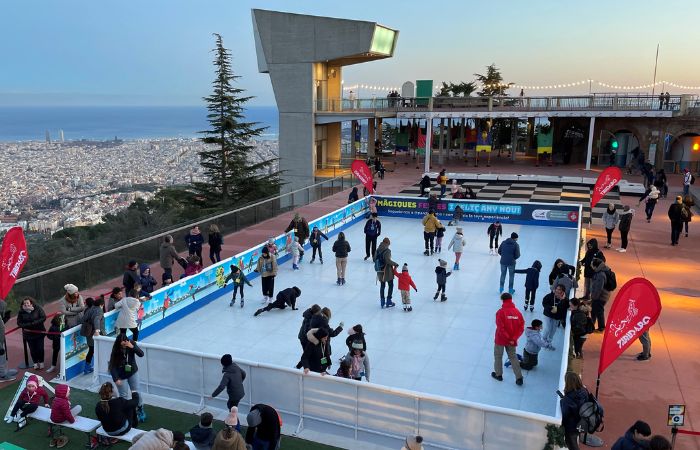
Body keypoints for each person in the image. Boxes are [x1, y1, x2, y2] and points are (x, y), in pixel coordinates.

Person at [108, 333, 146, 422]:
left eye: (125, 344)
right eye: (122, 345)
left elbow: (141, 354)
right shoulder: (116, 350)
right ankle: (124, 412)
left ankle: (140, 409)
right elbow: (112, 365)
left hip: (132, 372)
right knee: (123, 395)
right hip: (121, 375)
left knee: (137, 392)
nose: (124, 346)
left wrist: (132, 347)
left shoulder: (131, 344)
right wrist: (116, 378)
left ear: (127, 341)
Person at [491, 293, 525, 386]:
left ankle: (498, 375)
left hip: (500, 339)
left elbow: (500, 328)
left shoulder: (500, 312)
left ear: (502, 300)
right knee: (513, 357)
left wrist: (507, 338)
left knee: (498, 356)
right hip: (512, 341)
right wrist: (513, 338)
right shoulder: (518, 312)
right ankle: (519, 378)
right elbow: (521, 327)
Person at [560, 372, 588, 450]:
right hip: (581, 422)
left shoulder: (567, 399)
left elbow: (564, 416)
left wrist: (562, 401)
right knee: (575, 440)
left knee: (572, 445)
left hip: (571, 428)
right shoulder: (584, 391)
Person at [17, 297, 46, 370]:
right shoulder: (21, 312)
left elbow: (43, 317)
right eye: (24, 303)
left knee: (40, 348)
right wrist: (28, 325)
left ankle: (41, 362)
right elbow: (19, 323)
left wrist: (33, 323)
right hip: (28, 335)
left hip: (39, 332)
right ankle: (35, 363)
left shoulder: (38, 308)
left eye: (27, 303)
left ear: (31, 303)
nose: (26, 304)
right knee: (32, 349)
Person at [82, 297, 105, 374]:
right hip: (94, 334)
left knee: (91, 350)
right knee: (97, 351)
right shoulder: (99, 311)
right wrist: (97, 330)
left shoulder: (90, 309)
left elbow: (84, 318)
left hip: (88, 333)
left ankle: (87, 368)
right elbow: (96, 320)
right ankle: (100, 367)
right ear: (102, 305)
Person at [375, 237, 398, 308]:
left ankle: (382, 302)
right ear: (387, 243)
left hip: (379, 270)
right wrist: (395, 264)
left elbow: (374, 259)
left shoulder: (378, 249)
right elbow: (387, 260)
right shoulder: (387, 251)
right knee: (390, 285)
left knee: (382, 286)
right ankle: (388, 301)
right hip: (387, 271)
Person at [590, 258, 612, 332]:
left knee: (599, 311)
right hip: (601, 296)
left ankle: (601, 328)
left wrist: (593, 298)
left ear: (595, 266)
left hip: (601, 297)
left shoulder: (600, 275)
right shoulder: (600, 271)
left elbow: (598, 288)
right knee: (594, 310)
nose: (591, 266)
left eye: (592, 264)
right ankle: (591, 324)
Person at [0, 300, 18, 382]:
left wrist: (5, 318)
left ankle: (4, 371)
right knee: (1, 356)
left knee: (3, 356)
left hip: (1, 338)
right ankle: (2, 375)